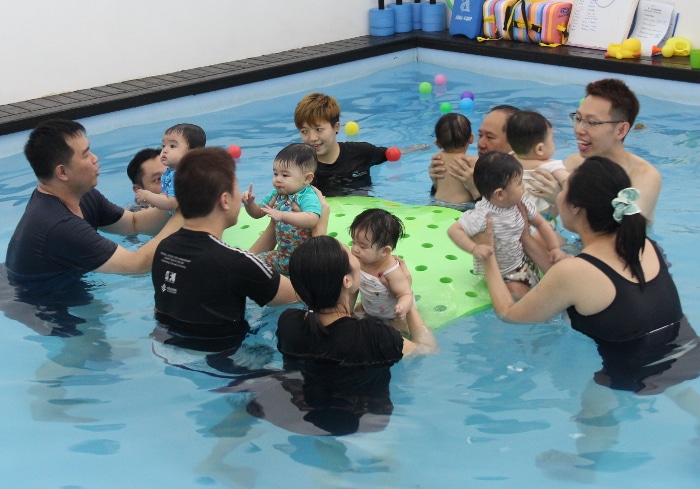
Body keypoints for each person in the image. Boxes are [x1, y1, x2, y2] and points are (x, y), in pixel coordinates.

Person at [479, 156, 699, 394]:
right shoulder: (643, 243)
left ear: (576, 208)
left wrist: (487, 253)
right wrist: (526, 239)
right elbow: (572, 285)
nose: (559, 196)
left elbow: (508, 314)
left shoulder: (574, 271)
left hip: (629, 375)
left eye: (563, 190)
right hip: (687, 353)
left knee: (593, 425)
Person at [5, 119, 180, 296]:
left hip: (67, 279)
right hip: (39, 301)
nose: (95, 158)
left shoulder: (79, 193)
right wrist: (192, 210)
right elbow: (136, 266)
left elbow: (134, 223)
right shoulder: (59, 225)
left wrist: (180, 202)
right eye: (86, 154)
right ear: (62, 172)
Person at [151, 147, 298, 352]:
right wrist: (319, 225)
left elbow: (233, 267)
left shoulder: (164, 248)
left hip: (168, 345)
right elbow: (300, 294)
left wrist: (275, 225)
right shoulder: (236, 263)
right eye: (236, 190)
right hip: (229, 358)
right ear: (225, 200)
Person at [277, 235, 438, 364]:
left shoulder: (288, 323)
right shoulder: (375, 336)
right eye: (349, 253)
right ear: (347, 281)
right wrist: (405, 294)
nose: (355, 253)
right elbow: (427, 350)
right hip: (362, 405)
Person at [529, 79, 661, 223]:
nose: (579, 130)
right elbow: (544, 218)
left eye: (592, 122)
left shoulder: (643, 176)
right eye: (578, 118)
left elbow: (626, 232)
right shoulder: (574, 163)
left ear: (621, 130)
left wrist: (562, 199)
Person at [447, 152, 567, 298]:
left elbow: (541, 223)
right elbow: (454, 230)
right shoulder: (482, 215)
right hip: (502, 274)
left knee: (555, 283)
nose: (523, 187)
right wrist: (474, 248)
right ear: (500, 194)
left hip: (523, 261)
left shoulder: (521, 203)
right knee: (519, 297)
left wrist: (554, 247)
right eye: (519, 184)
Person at [241, 143, 322, 275]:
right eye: (275, 173)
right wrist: (249, 204)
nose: (277, 179)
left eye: (285, 175)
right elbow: (258, 213)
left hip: (303, 261)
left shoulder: (306, 196)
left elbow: (312, 218)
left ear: (307, 178)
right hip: (282, 256)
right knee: (253, 264)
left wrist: (282, 215)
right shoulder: (277, 194)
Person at [294, 92, 389, 197]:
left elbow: (391, 154)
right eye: (304, 131)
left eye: (319, 129)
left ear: (336, 127)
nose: (312, 138)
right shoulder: (300, 168)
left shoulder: (362, 152)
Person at [428, 105, 520, 201]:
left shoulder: (525, 179)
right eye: (480, 135)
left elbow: (506, 214)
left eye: (490, 137)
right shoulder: (472, 166)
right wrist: (436, 183)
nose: (480, 144)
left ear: (514, 142)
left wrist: (475, 190)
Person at [350, 209, 415, 334]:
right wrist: (347, 311)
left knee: (399, 333)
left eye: (362, 246)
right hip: (369, 308)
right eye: (353, 242)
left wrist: (402, 308)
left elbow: (406, 294)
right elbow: (353, 290)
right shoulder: (358, 261)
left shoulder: (392, 271)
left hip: (393, 315)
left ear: (384, 251)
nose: (355, 249)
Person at [506, 110, 568, 220]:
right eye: (552, 139)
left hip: (511, 219)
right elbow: (571, 183)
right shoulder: (550, 166)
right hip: (542, 222)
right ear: (540, 149)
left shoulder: (508, 160)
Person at [135, 123, 206, 212]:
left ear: (192, 153)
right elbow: (167, 194)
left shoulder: (183, 175)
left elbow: (172, 203)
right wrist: (155, 200)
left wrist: (148, 196)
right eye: (163, 146)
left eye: (172, 146)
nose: (164, 150)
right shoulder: (171, 172)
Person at [430, 113, 478, 210]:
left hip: (436, 204)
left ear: (437, 143)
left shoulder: (437, 159)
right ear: (471, 138)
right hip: (462, 207)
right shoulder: (473, 161)